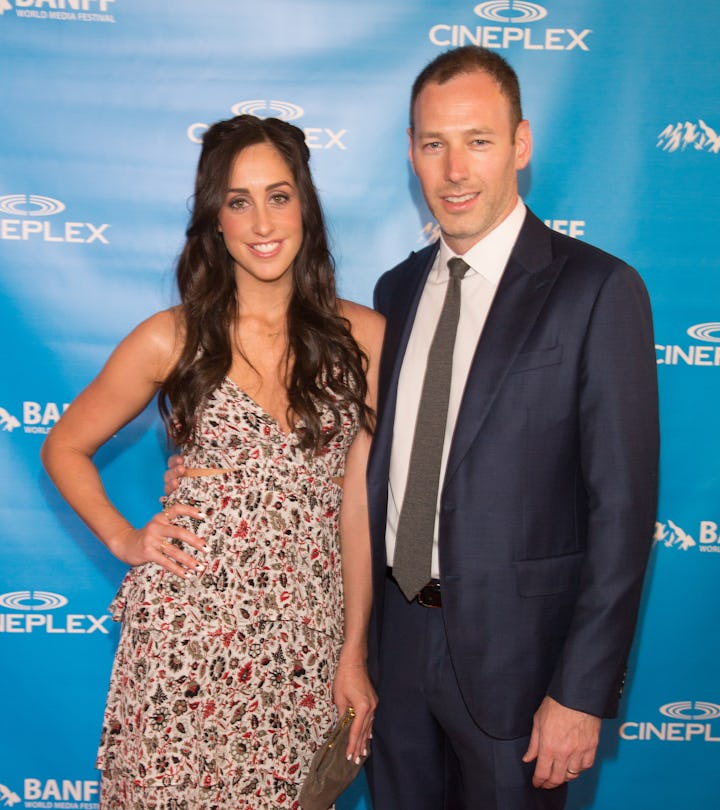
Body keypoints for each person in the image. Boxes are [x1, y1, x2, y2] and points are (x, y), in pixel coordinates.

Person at [41, 114, 382, 810]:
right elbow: (63, 445)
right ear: (215, 221)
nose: (261, 220)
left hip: (301, 654)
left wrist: (354, 652)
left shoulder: (365, 339)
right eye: (238, 200)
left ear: (305, 208)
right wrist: (125, 536)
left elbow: (358, 508)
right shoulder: (173, 339)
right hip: (185, 646)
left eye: (279, 195)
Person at [362, 46, 660, 809]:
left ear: (521, 145)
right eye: (435, 143)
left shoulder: (598, 290)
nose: (455, 169)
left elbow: (621, 513)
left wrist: (582, 692)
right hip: (394, 648)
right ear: (411, 154)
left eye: (479, 140)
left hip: (521, 676)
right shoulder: (393, 291)